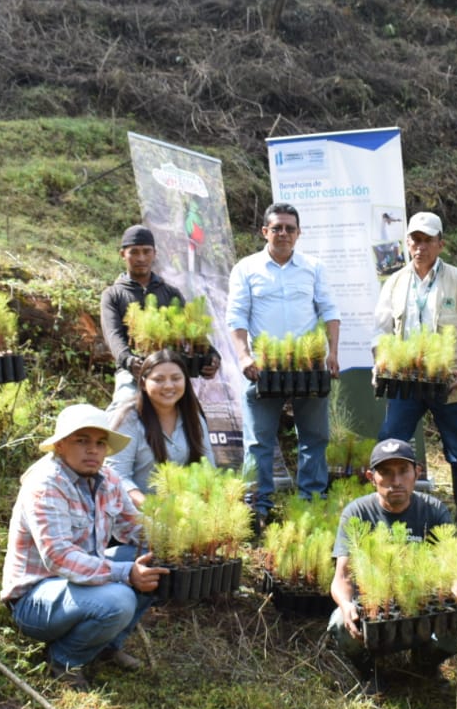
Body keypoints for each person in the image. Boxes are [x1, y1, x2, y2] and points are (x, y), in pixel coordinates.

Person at [1, 404, 169, 690]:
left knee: (154, 561)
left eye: (100, 443)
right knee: (119, 599)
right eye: (82, 441)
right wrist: (126, 573)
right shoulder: (46, 484)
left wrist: (184, 542)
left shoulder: (108, 480)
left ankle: (105, 647)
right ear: (61, 445)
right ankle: (64, 660)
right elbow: (59, 558)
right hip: (36, 599)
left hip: (82, 586)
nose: (93, 450)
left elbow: (134, 527)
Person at [374, 211, 457, 529]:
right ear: (407, 243)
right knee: (390, 440)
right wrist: (380, 361)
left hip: (449, 383)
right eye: (415, 240)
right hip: (406, 383)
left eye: (427, 240)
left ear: (440, 243)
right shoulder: (395, 281)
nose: (420, 246)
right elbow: (381, 330)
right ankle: (388, 507)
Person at [328, 438, 457, 693]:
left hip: (422, 604)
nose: (396, 481)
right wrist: (347, 604)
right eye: (386, 473)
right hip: (374, 608)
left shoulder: (434, 511)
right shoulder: (357, 513)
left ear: (417, 472)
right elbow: (342, 578)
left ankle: (425, 666)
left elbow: (453, 566)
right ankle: (371, 673)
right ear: (371, 477)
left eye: (403, 471)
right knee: (340, 622)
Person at [227, 203, 341, 517]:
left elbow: (330, 311)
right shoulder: (246, 269)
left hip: (307, 367)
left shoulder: (313, 268)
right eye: (277, 228)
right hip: (262, 368)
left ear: (299, 233)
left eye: (290, 228)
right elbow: (235, 317)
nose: (283, 234)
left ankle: (311, 504)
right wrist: (243, 357)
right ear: (265, 231)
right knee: (258, 441)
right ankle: (258, 507)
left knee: (314, 438)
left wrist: (332, 353)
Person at [100, 224, 220, 413]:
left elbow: (192, 331)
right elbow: (113, 336)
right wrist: (129, 361)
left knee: (197, 423)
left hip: (170, 372)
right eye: (134, 252)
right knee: (120, 414)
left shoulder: (170, 293)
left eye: (146, 252)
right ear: (123, 254)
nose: (141, 258)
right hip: (132, 373)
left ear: (154, 253)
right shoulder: (113, 295)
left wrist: (212, 355)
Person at [105, 349, 215, 508]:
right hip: (137, 517)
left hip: (185, 516)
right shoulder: (129, 419)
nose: (169, 386)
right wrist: (151, 508)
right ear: (143, 383)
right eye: (159, 379)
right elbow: (117, 476)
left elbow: (208, 469)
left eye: (176, 378)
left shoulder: (193, 417)